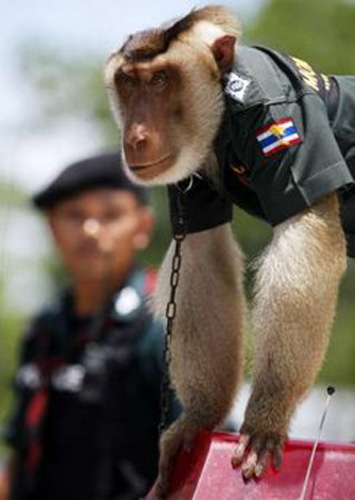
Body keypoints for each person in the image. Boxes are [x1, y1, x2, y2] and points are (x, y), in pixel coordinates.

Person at [1, 152, 179, 500]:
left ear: (142, 226)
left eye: (110, 215)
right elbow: (23, 455)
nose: (91, 230)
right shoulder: (43, 331)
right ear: (52, 227)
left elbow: (206, 454)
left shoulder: (162, 326)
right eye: (75, 215)